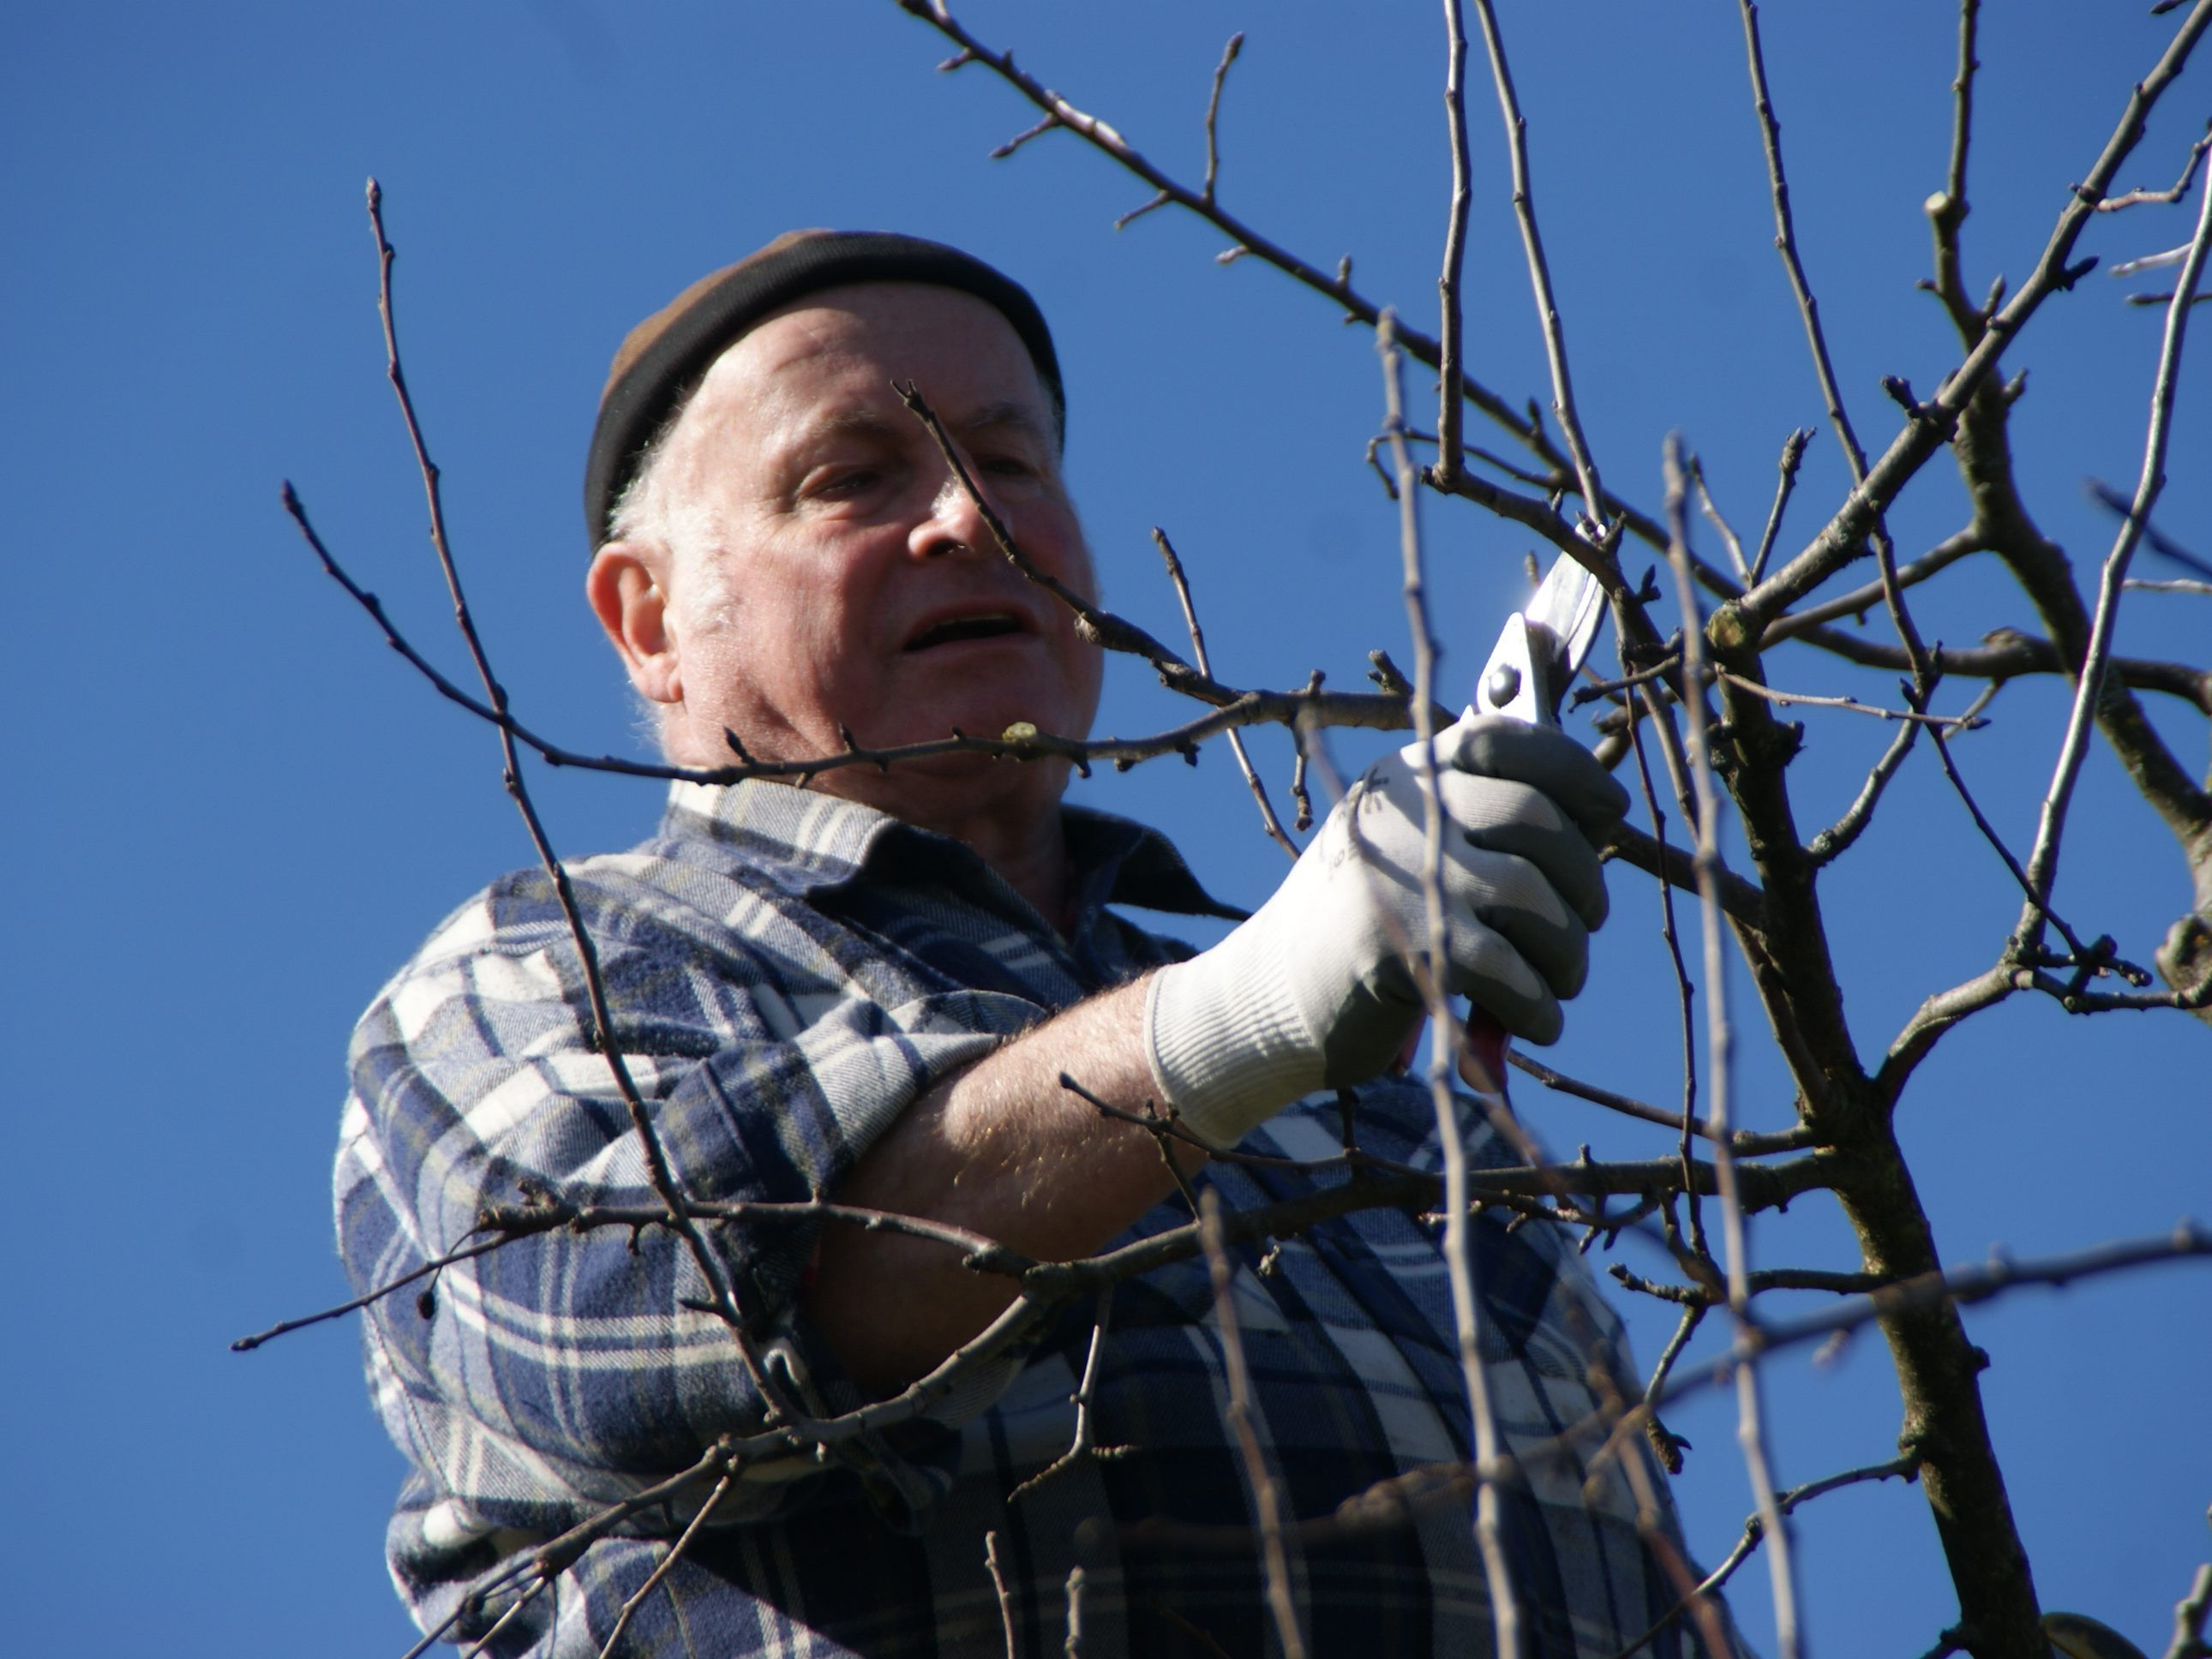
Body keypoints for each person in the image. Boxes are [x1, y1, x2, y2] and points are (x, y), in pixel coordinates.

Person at [337, 230, 1723, 1658]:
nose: (970, 519)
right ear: (651, 620)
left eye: (1010, 465)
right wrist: (1234, 1020)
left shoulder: (1390, 1107)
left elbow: (1662, 1588)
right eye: (852, 476)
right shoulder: (545, 972)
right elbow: (617, 1328)